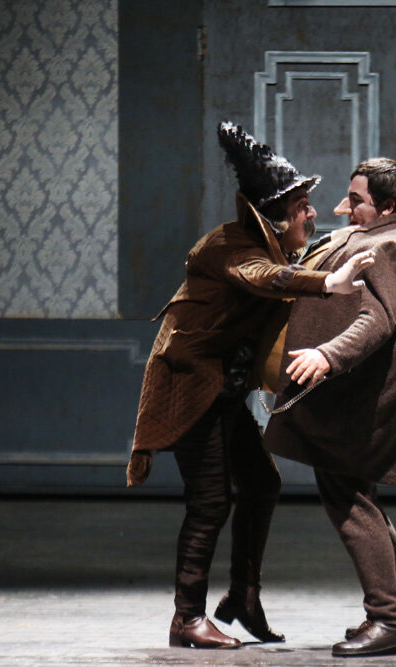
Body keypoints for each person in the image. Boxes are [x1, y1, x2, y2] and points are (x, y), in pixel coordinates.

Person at [126, 122, 374, 650]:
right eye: (302, 206)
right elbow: (262, 276)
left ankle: (243, 595)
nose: (312, 213)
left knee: (261, 482)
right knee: (210, 501)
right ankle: (186, 618)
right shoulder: (229, 247)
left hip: (223, 392)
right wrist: (328, 283)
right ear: (276, 217)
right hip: (190, 389)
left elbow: (283, 272)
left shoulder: (275, 249)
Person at [262, 158, 396, 657]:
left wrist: (328, 355)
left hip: (363, 401)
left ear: (387, 206)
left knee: (349, 497)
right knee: (360, 494)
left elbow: (379, 318)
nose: (342, 208)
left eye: (356, 200)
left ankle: (387, 620)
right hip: (375, 397)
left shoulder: (389, 247)